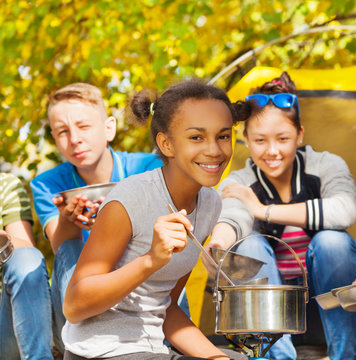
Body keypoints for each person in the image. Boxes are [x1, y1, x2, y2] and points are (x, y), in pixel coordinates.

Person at [206, 72, 356, 360]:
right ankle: (277, 357)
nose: (272, 151)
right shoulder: (240, 180)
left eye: (283, 138)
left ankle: (345, 356)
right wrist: (218, 244)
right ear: (245, 140)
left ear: (300, 135)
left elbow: (343, 210)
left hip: (326, 310)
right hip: (270, 322)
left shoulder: (326, 165)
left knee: (333, 240)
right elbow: (232, 217)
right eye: (259, 140)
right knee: (250, 244)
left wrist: (263, 210)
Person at [61, 81, 245, 359]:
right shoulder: (131, 199)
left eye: (223, 136)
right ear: (166, 143)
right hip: (99, 350)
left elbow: (166, 307)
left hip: (152, 348)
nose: (214, 150)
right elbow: (74, 305)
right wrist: (150, 260)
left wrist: (217, 357)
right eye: (196, 137)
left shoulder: (209, 204)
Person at [30, 83, 164, 352]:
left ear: (108, 128)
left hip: (139, 290)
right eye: (63, 132)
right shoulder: (46, 184)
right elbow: (62, 250)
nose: (75, 139)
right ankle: (84, 344)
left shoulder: (147, 168)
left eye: (84, 127)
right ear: (55, 139)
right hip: (82, 304)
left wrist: (116, 220)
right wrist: (69, 221)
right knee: (70, 246)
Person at [0, 172, 53, 359]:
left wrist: (3, 242)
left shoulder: (5, 185)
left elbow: (26, 257)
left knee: (27, 258)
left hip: (4, 326)